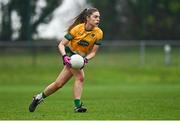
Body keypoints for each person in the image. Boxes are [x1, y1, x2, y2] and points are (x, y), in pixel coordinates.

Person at [29, 7, 103, 113]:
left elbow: (93, 52)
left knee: (58, 84)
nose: (98, 19)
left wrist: (86, 59)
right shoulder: (77, 29)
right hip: (70, 54)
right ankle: (78, 106)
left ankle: (38, 98)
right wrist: (64, 56)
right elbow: (61, 44)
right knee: (80, 77)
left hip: (80, 58)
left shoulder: (99, 33)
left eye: (99, 17)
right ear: (87, 18)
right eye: (95, 17)